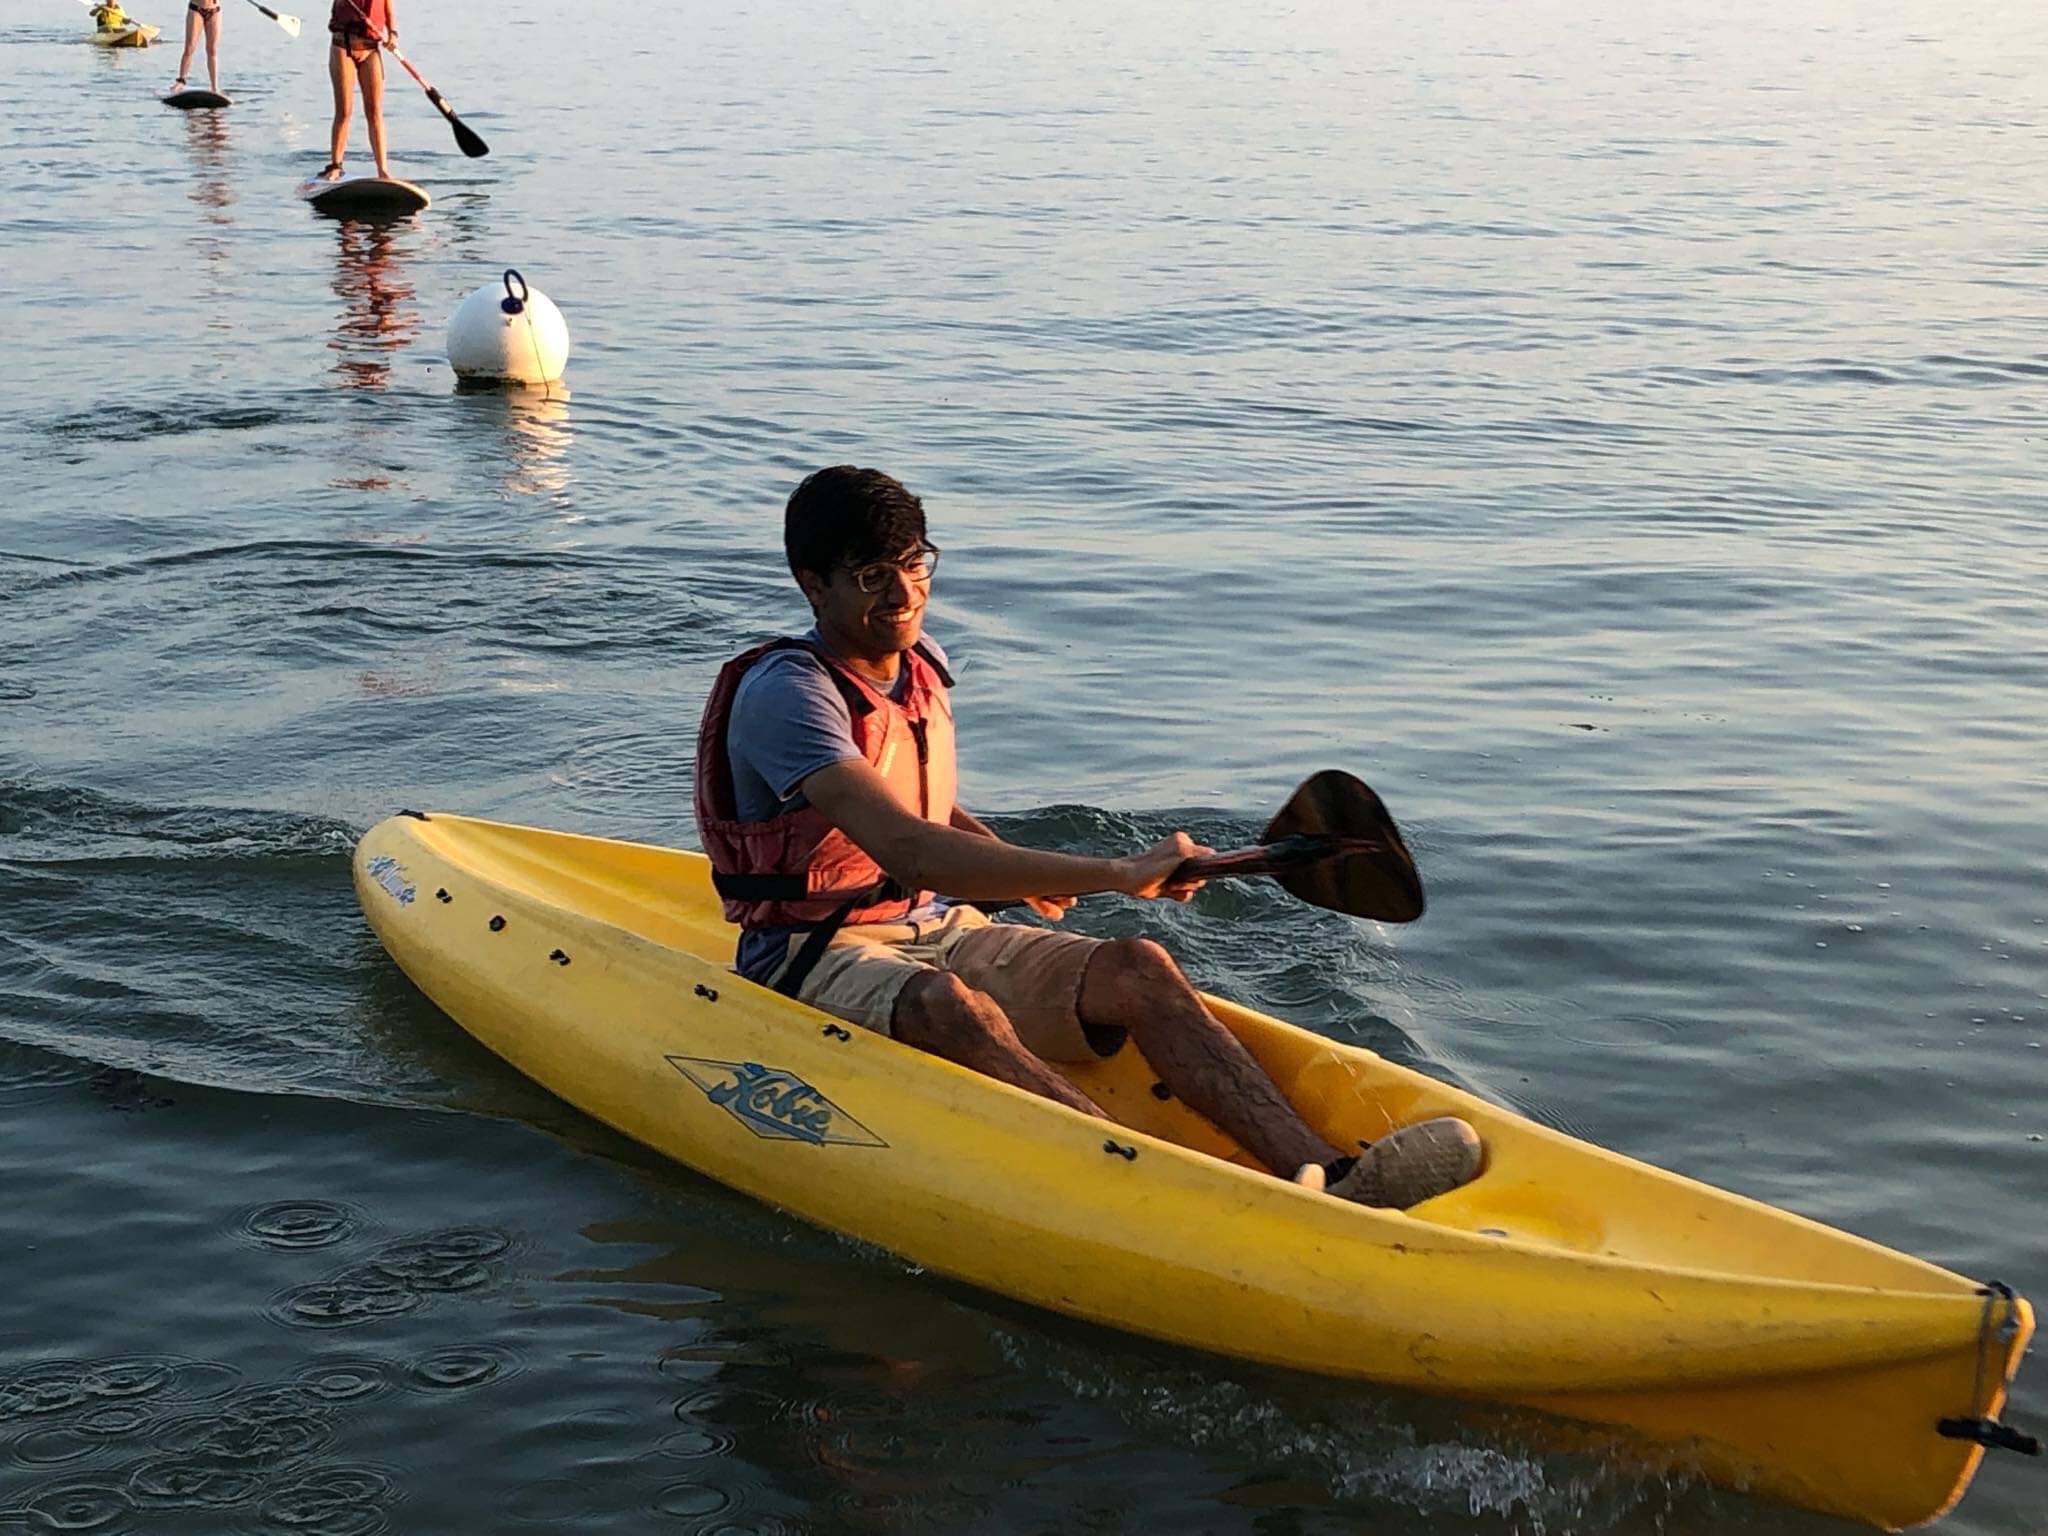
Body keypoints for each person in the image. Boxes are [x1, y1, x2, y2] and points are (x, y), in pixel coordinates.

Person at [693, 466, 1483, 1208]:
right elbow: (906, 847)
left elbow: (922, 809)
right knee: (949, 1006)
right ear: (813, 584)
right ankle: (1154, 1189)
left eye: (913, 563)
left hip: (933, 924)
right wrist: (1119, 870)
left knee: (1139, 966)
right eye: (871, 576)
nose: (904, 593)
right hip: (811, 953)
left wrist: (1007, 862)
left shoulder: (915, 663)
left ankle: (1332, 1174)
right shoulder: (788, 695)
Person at [315, 0, 397, 184]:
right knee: (345, 111)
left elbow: (388, 9)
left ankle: (383, 170)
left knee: (375, 112)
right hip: (343, 46)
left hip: (370, 50)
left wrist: (392, 34)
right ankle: (336, 165)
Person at [168, 0, 222, 98]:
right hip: (196, 10)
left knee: (212, 50)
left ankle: (214, 87)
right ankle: (181, 81)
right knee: (190, 47)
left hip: (214, 10)